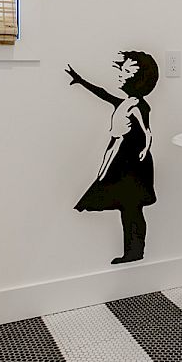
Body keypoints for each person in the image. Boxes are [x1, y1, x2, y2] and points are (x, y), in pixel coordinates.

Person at [66, 51, 159, 264]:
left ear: (138, 78)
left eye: (125, 71)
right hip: (122, 158)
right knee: (128, 206)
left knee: (131, 207)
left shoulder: (138, 106)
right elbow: (102, 93)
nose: (120, 74)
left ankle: (134, 252)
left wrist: (145, 148)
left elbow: (147, 131)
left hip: (134, 162)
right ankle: (133, 252)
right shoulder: (124, 103)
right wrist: (80, 81)